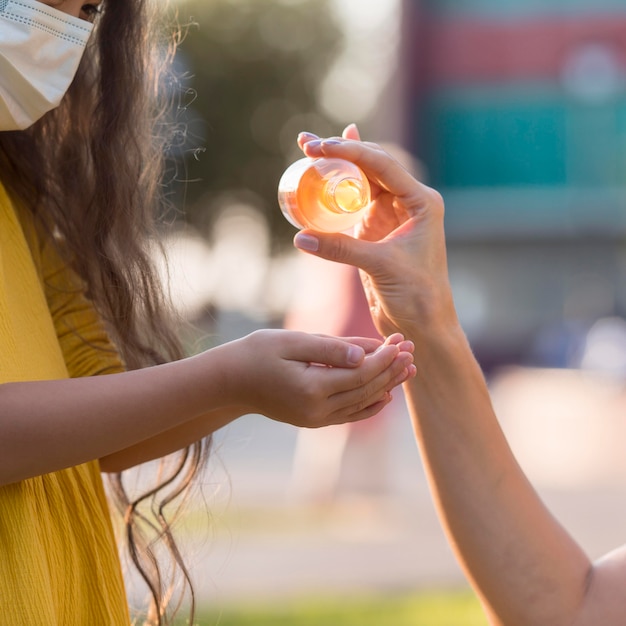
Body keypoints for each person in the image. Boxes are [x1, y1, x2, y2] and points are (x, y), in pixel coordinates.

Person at [0, 2, 415, 625]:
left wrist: (255, 383)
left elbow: (100, 421)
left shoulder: (17, 197)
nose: (69, 28)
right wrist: (227, 377)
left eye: (87, 9)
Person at [294, 124, 626, 625]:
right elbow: (568, 612)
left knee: (359, 434)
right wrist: (419, 321)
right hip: (377, 349)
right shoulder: (348, 256)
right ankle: (331, 500)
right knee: (346, 436)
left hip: (377, 355)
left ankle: (347, 502)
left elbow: (567, 612)